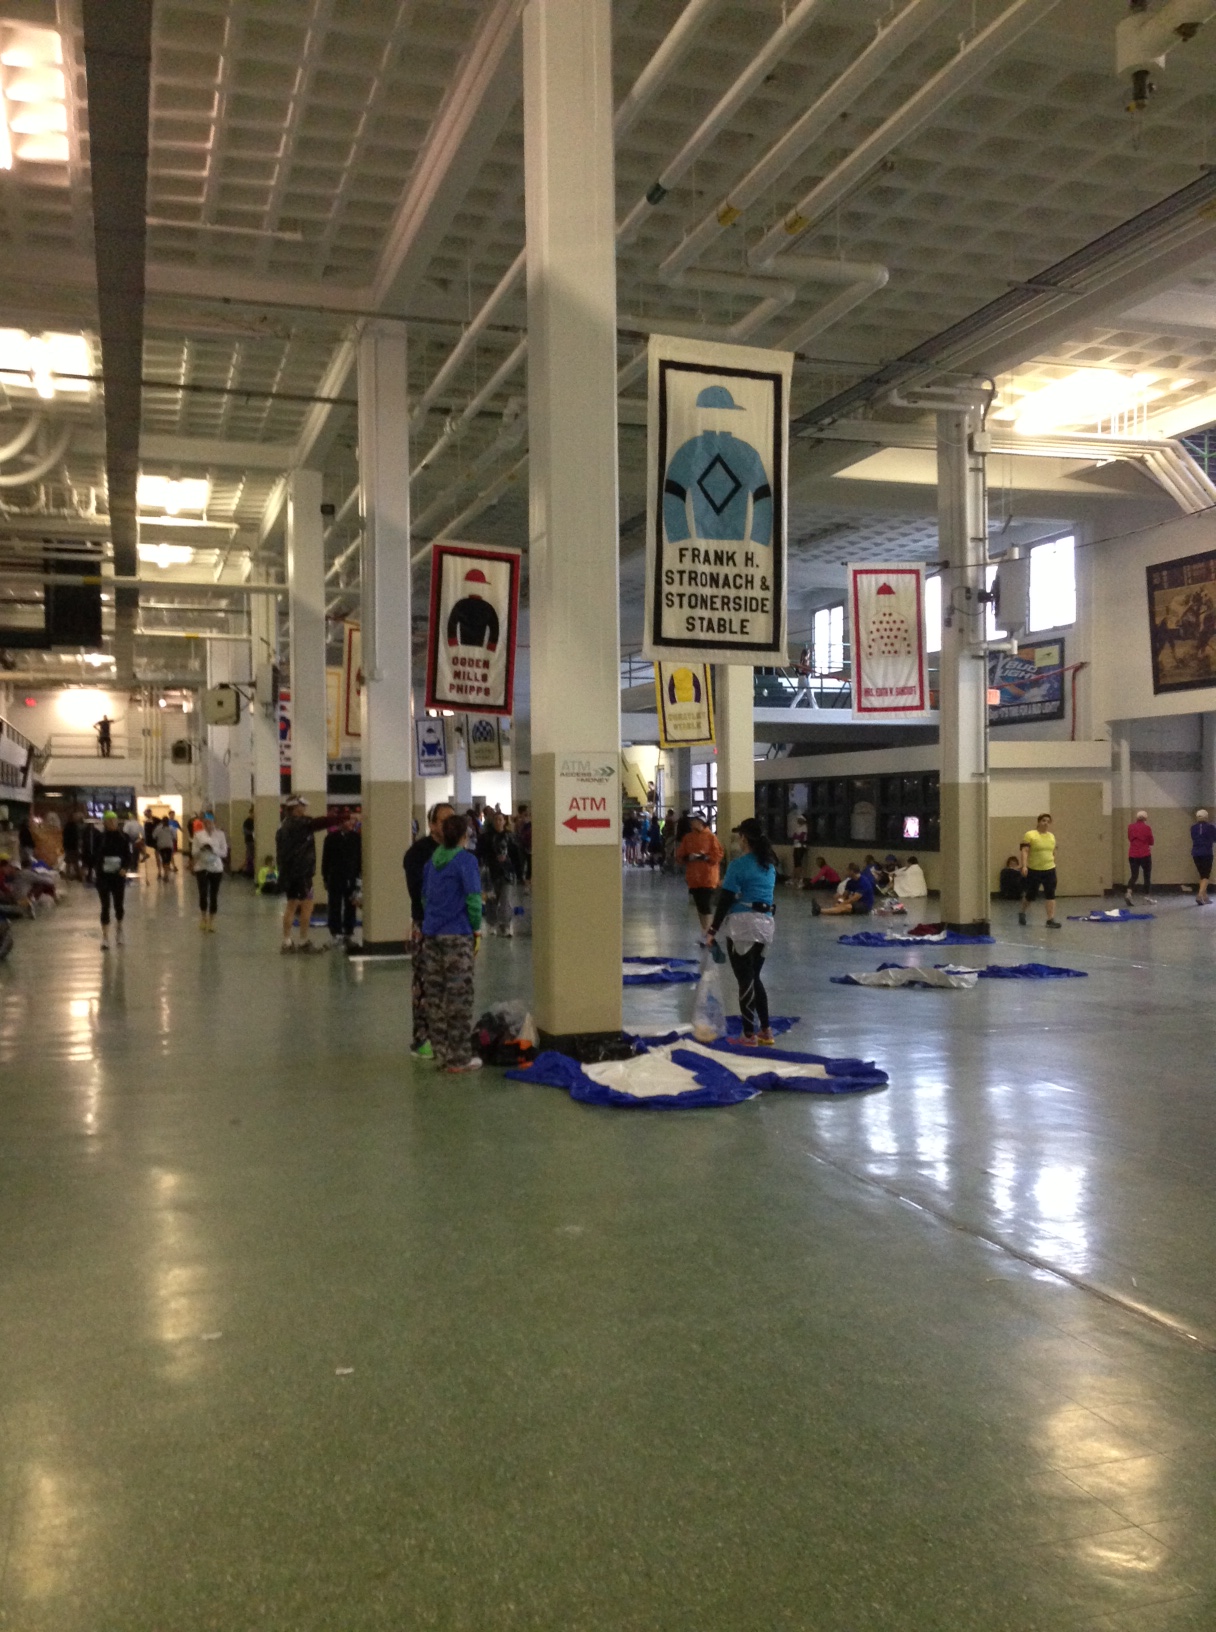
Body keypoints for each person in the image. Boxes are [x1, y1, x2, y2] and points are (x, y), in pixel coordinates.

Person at [420, 812, 484, 1074]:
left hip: (431, 935)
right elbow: (473, 898)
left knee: (435, 996)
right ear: (463, 836)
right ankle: (459, 1058)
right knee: (459, 997)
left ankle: (442, 1053)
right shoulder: (466, 861)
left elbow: (425, 898)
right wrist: (476, 928)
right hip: (457, 936)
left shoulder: (431, 862)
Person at [707, 817, 777, 1047]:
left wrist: (712, 930)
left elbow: (725, 900)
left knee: (745, 980)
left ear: (744, 838)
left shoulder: (738, 865)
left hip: (742, 926)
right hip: (765, 924)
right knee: (755, 977)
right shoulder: (769, 866)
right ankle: (766, 1030)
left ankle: (748, 1035)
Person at [405, 802, 455, 1060]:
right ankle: (422, 1038)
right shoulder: (417, 853)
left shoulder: (457, 851)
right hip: (426, 926)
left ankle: (445, 1035)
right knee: (425, 983)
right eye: (443, 821)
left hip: (453, 928)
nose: (449, 826)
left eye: (452, 820)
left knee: (450, 984)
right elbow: (419, 893)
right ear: (432, 824)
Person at [275, 795, 330, 953]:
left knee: (300, 905)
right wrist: (346, 817)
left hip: (296, 874)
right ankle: (294, 941)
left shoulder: (284, 825)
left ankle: (294, 941)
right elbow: (320, 822)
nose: (305, 808)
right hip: (300, 874)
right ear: (295, 808)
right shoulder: (299, 824)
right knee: (299, 906)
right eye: (302, 806)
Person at [674, 812, 725, 936]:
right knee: (699, 906)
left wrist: (704, 857)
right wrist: (688, 857)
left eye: (693, 820)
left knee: (705, 904)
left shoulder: (711, 837)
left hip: (708, 878)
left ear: (700, 821)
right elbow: (680, 856)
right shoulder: (688, 838)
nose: (691, 822)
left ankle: (709, 933)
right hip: (694, 878)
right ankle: (705, 930)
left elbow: (718, 855)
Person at [478, 809, 522, 937]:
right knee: (491, 899)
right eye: (496, 820)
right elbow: (480, 853)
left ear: (504, 821)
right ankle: (492, 924)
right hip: (490, 873)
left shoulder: (510, 837)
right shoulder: (486, 837)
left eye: (500, 819)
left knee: (505, 899)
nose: (498, 822)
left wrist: (519, 873)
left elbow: (516, 855)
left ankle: (505, 925)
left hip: (507, 873)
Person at [322, 809, 362, 946]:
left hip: (351, 877)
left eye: (352, 820)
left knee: (351, 905)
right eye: (347, 820)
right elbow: (325, 859)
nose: (350, 823)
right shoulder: (330, 838)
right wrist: (325, 877)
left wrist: (359, 877)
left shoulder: (356, 838)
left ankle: (349, 932)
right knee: (334, 905)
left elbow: (360, 859)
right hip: (335, 877)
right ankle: (336, 932)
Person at [95, 809, 133, 949]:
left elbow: (128, 855)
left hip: (118, 876)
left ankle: (119, 929)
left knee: (119, 905)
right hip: (103, 877)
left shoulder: (124, 837)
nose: (112, 823)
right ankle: (105, 937)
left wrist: (125, 868)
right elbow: (95, 855)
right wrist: (96, 869)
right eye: (109, 821)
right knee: (105, 906)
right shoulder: (100, 838)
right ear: (104, 823)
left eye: (114, 820)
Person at [1019, 812, 1061, 929]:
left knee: (1050, 894)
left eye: (1048, 821)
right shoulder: (1030, 835)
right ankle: (1022, 912)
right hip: (1034, 870)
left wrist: (1053, 861)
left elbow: (1053, 851)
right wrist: (1024, 866)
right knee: (1031, 895)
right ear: (1038, 822)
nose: (1046, 823)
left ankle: (1050, 919)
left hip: (1049, 869)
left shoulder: (1051, 836)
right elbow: (1025, 851)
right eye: (1043, 821)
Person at [191, 811, 228, 931]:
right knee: (203, 893)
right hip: (202, 867)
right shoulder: (198, 835)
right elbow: (193, 852)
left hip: (216, 868)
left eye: (210, 822)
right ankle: (203, 917)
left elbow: (224, 852)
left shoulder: (220, 835)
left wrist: (214, 850)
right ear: (203, 823)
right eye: (206, 822)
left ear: (214, 822)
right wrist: (201, 849)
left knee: (213, 894)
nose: (208, 825)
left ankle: (211, 921)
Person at [1125, 810, 1156, 907]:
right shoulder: (1147, 828)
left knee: (1134, 875)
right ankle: (1147, 897)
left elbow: (1129, 838)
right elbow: (1151, 842)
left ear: (1137, 818)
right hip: (1145, 854)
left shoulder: (1131, 827)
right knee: (1147, 876)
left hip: (1133, 854)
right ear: (1145, 818)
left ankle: (1129, 893)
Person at [1191, 808, 1216, 905]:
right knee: (1206, 875)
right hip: (1206, 853)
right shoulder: (1211, 827)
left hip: (1195, 853)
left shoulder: (1193, 828)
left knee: (1202, 875)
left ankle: (1205, 897)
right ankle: (1200, 895)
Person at [121, 808, 145, 877]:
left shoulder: (128, 823)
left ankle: (131, 865)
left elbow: (125, 832)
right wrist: (142, 839)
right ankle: (135, 866)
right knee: (136, 854)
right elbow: (143, 832)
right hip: (136, 840)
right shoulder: (138, 824)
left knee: (130, 853)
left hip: (129, 840)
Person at [789, 810, 809, 887]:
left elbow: (801, 837)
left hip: (801, 846)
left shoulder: (804, 827)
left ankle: (800, 879)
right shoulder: (798, 827)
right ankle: (794, 878)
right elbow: (794, 836)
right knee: (796, 863)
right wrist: (797, 836)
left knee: (799, 863)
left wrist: (797, 836)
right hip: (796, 846)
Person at [62, 810, 82, 881]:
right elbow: (76, 837)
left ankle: (68, 875)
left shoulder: (67, 826)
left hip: (68, 847)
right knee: (75, 862)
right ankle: (79, 875)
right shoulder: (75, 826)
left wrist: (64, 846)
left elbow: (64, 837)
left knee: (69, 862)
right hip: (73, 847)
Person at [153, 816, 175, 880]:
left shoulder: (158, 828)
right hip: (169, 845)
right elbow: (174, 837)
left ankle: (165, 873)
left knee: (163, 859)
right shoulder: (171, 828)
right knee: (168, 860)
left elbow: (154, 836)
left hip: (161, 846)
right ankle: (166, 874)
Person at [242, 807, 256, 876]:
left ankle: (249, 870)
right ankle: (249, 870)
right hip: (249, 840)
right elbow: (245, 831)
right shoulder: (247, 821)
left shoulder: (255, 821)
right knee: (250, 856)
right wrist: (252, 832)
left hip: (252, 840)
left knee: (251, 855)